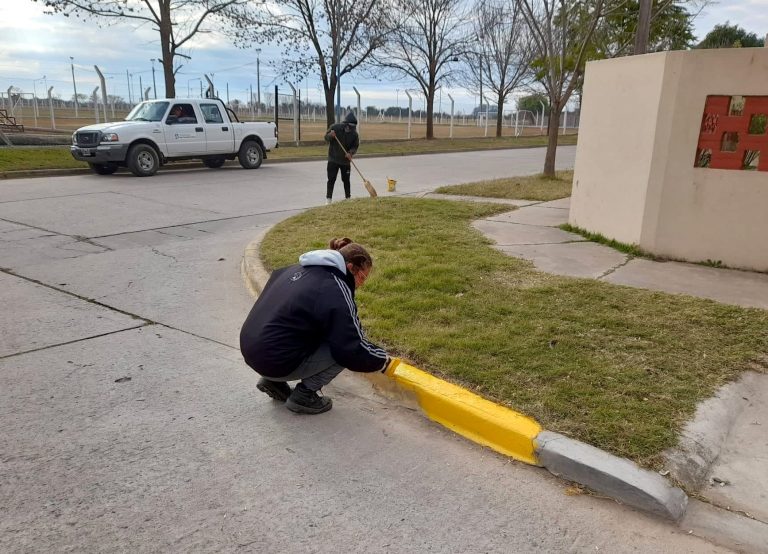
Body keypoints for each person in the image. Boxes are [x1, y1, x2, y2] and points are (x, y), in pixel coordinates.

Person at [239, 237, 392, 414]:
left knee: (306, 330)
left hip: (252, 351)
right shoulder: (335, 288)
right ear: (350, 268)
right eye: (362, 277)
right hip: (276, 361)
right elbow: (351, 347)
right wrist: (383, 361)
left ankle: (272, 381)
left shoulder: (294, 269)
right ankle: (304, 395)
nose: (361, 284)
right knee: (340, 351)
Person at [324, 112, 359, 204]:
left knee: (346, 180)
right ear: (345, 125)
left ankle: (348, 198)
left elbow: (355, 146)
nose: (351, 129)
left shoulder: (354, 134)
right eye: (350, 127)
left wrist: (350, 153)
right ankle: (328, 200)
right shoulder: (335, 128)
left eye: (353, 128)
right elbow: (326, 138)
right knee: (331, 179)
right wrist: (330, 136)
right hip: (333, 159)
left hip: (345, 162)